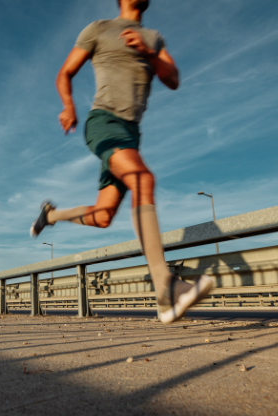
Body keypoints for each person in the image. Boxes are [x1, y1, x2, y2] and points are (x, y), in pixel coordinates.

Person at [30, 0, 213, 324]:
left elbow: (172, 78)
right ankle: (165, 287)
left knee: (103, 217)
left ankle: (51, 214)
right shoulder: (99, 29)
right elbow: (65, 72)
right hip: (103, 121)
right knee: (143, 178)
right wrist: (68, 105)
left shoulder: (154, 38)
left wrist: (149, 52)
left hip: (131, 133)